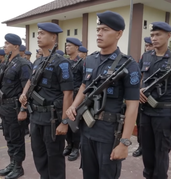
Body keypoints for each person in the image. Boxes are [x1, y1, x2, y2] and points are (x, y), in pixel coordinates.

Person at [66, 11, 140, 179]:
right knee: (88, 174)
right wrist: (73, 105)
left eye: (105, 29)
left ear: (119, 34)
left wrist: (125, 142)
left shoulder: (128, 64)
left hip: (109, 133)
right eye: (98, 29)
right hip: (87, 129)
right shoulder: (90, 60)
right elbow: (84, 86)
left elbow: (133, 105)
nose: (99, 33)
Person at [19, 22, 73, 179]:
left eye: (42, 33)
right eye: (38, 33)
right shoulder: (38, 61)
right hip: (36, 117)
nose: (39, 36)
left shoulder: (61, 62)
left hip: (52, 119)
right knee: (39, 156)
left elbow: (68, 94)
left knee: (54, 158)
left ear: (53, 37)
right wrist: (24, 94)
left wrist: (64, 122)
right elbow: (30, 81)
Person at [139, 22, 171, 179]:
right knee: (146, 149)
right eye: (152, 35)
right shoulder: (145, 56)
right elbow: (139, 81)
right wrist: (137, 91)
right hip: (145, 112)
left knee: (161, 151)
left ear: (168, 36)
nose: (154, 38)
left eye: (158, 34)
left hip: (164, 113)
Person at [0, 33, 32, 179]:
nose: (4, 46)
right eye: (5, 43)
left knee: (16, 138)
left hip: (15, 107)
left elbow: (27, 91)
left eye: (7, 43)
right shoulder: (6, 62)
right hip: (4, 106)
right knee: (8, 136)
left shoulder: (23, 64)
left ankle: (18, 166)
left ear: (15, 46)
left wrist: (23, 109)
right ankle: (12, 163)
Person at [133, 36, 155, 158]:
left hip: (155, 97)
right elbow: (139, 75)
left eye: (150, 45)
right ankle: (141, 146)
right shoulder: (144, 57)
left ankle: (149, 147)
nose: (148, 48)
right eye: (146, 45)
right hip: (142, 96)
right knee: (140, 124)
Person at [63, 37, 83, 161]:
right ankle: (69, 144)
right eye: (66, 46)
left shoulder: (82, 63)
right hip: (66, 95)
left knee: (75, 122)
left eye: (70, 46)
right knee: (66, 120)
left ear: (76, 47)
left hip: (76, 96)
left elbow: (84, 83)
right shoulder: (65, 62)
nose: (67, 48)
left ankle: (76, 147)